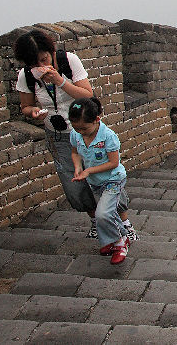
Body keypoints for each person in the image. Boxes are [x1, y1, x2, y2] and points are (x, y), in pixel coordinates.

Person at [14, 29, 136, 241]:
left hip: (88, 133)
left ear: (51, 51)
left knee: (106, 178)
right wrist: (32, 112)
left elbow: (88, 95)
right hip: (59, 136)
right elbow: (25, 106)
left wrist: (60, 81)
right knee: (75, 185)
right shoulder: (26, 76)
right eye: (35, 64)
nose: (40, 66)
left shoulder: (69, 61)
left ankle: (124, 222)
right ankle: (96, 221)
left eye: (44, 59)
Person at [68, 97, 131, 265]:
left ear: (97, 120)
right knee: (107, 212)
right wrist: (78, 167)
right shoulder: (76, 134)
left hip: (113, 180)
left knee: (102, 213)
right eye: (76, 128)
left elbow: (113, 163)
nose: (80, 132)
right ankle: (112, 240)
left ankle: (120, 241)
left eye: (84, 128)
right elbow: (75, 152)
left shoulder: (108, 136)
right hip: (95, 182)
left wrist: (88, 170)